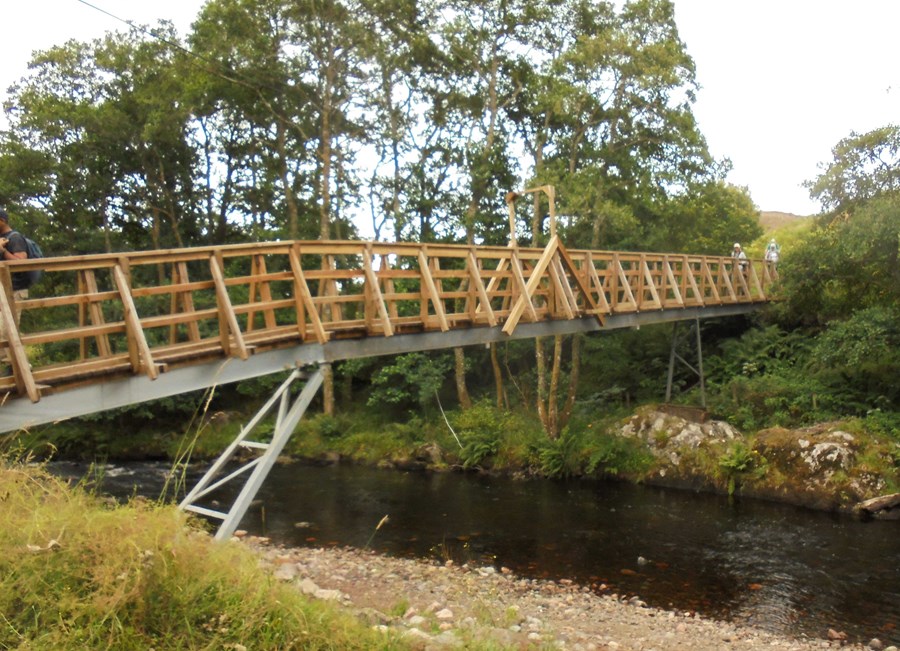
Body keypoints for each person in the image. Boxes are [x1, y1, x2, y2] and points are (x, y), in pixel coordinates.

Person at [0, 208, 31, 372]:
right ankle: (11, 366)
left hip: (15, 291)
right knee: (2, 331)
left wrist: (4, 251)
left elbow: (21, 263)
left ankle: (19, 368)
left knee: (6, 330)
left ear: (2, 221)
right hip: (2, 292)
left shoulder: (15, 238)